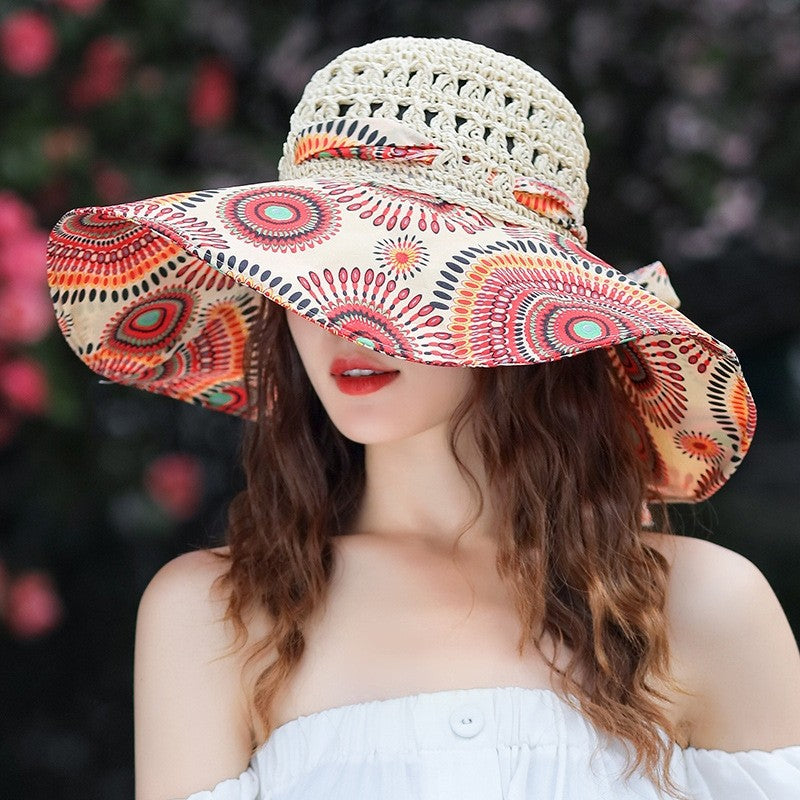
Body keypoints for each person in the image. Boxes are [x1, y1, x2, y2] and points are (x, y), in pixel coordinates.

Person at [45, 37, 800, 800]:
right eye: (313, 272)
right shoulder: (217, 616)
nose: (348, 319)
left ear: (519, 311)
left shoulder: (701, 606)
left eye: (402, 270)